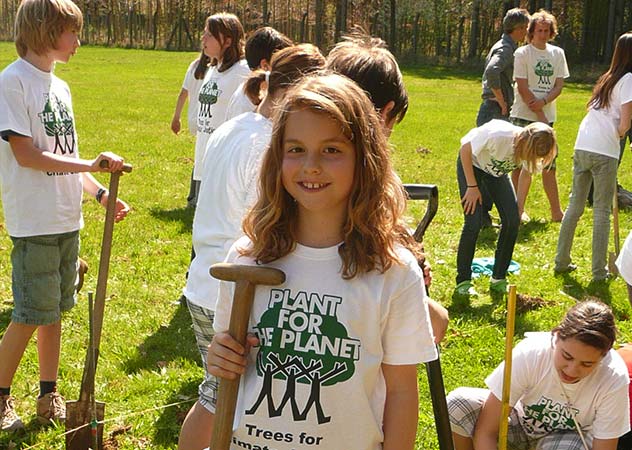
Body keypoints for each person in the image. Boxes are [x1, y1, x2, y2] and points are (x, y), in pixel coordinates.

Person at [207, 73, 438, 450]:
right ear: (276, 158)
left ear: (365, 159)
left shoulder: (392, 272)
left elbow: (400, 392)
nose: (311, 165)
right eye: (295, 149)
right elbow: (228, 354)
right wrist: (222, 354)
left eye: (331, 150)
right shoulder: (248, 258)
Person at [0, 0, 129, 431]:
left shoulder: (61, 87)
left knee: (53, 311)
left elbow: (65, 156)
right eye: (71, 31)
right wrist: (92, 166)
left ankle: (47, 394)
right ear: (44, 29)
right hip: (34, 221)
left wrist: (98, 194)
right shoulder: (13, 82)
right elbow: (28, 155)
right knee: (28, 314)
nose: (78, 40)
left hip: (65, 218)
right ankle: (0, 399)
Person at [326, 29, 449, 342]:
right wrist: (407, 271)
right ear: (386, 113)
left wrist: (408, 255)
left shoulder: (293, 162)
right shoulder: (365, 180)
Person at [448, 300, 630, 450]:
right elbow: (486, 431)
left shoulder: (614, 378)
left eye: (587, 364)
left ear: (604, 356)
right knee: (457, 404)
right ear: (556, 336)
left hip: (568, 439)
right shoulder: (531, 353)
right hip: (520, 422)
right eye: (567, 356)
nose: (572, 370)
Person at [554, 32, 632, 282]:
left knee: (575, 205)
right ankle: (599, 272)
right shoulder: (629, 79)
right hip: (604, 149)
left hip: (583, 143)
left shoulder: (607, 78)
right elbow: (625, 121)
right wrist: (620, 135)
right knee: (601, 210)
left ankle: (561, 261)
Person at [454, 119, 557, 299]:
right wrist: (471, 187)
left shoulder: (533, 147)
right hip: (473, 165)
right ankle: (463, 282)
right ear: (523, 142)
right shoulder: (499, 136)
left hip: (497, 174)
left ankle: (498, 279)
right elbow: (465, 149)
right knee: (473, 223)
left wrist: (519, 207)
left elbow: (526, 176)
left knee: (512, 221)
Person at [510, 10, 569, 223]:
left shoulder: (557, 54)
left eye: (546, 31)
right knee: (520, 164)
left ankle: (556, 212)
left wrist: (543, 105)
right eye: (539, 30)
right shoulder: (523, 54)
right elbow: (523, 86)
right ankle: (517, 209)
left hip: (546, 115)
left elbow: (559, 84)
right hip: (523, 115)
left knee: (549, 164)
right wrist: (537, 112)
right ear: (531, 32)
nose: (543, 35)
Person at [192, 12, 250, 204]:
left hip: (226, 161)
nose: (204, 38)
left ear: (227, 40)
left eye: (209, 34)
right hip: (206, 153)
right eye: (204, 33)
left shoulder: (242, 71)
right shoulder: (212, 69)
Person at [224, 26, 292, 121]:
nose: (288, 69)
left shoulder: (266, 93)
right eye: (282, 62)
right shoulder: (245, 103)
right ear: (265, 66)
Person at [476, 7, 530, 127]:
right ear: (517, 28)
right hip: (494, 110)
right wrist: (501, 101)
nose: (527, 31)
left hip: (493, 109)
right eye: (525, 27)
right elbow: (491, 71)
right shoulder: (505, 49)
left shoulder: (505, 45)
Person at [171, 50, 209, 208]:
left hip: (194, 119)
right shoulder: (215, 69)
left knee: (200, 155)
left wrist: (176, 117)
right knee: (204, 157)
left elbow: (183, 93)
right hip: (206, 118)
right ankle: (195, 198)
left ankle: (193, 197)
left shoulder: (194, 66)